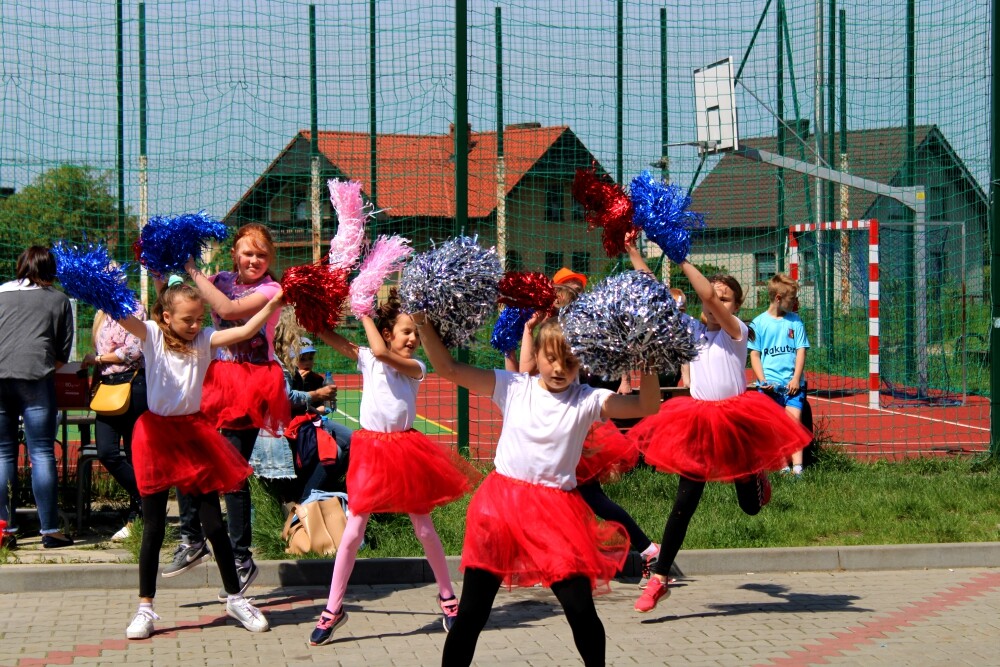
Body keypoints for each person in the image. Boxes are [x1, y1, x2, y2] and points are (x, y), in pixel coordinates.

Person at [419, 311, 660, 667]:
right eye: (551, 358)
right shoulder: (514, 387)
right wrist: (424, 322)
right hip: (500, 508)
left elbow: (646, 405)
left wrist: (649, 356)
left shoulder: (588, 400)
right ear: (538, 355)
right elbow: (450, 369)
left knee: (580, 609)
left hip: (556, 514)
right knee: (472, 614)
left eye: (570, 360)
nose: (560, 368)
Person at [630, 260, 813, 613]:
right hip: (698, 421)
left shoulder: (738, 331)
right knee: (684, 502)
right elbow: (655, 291)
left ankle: (756, 479)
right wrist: (632, 249)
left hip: (735, 420)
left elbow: (708, 297)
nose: (716, 302)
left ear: (737, 308)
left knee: (749, 507)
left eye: (726, 299)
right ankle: (661, 578)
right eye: (715, 298)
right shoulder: (690, 330)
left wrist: (681, 257)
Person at [113, 277, 283, 639]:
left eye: (198, 318)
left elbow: (244, 331)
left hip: (193, 435)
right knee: (155, 526)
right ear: (165, 316)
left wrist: (274, 303)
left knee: (213, 523)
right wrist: (96, 286)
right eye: (187, 319)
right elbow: (120, 315)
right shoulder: (151, 335)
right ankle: (145, 608)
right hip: (156, 436)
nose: (195, 326)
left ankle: (236, 598)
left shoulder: (205, 338)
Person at [308, 290, 479, 646]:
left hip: (404, 450)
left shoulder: (417, 367)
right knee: (353, 531)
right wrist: (311, 311)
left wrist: (364, 311)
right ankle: (333, 608)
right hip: (371, 451)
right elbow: (332, 338)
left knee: (425, 529)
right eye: (406, 331)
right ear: (389, 333)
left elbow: (381, 353)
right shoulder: (367, 357)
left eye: (415, 332)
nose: (414, 338)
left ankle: (448, 600)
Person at [165, 224, 290, 602]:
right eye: (247, 253)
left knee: (231, 469)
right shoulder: (217, 277)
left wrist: (189, 268)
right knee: (191, 456)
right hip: (215, 380)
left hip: (252, 384)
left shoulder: (271, 290)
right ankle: (191, 538)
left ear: (270, 259)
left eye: (262, 255)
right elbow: (182, 302)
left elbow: (227, 309)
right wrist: (163, 268)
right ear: (234, 253)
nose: (254, 260)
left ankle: (240, 557)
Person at [514, 269, 662, 589]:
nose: (549, 297)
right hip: (560, 422)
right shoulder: (556, 324)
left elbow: (531, 369)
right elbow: (528, 371)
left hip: (573, 423)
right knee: (567, 498)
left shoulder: (572, 326)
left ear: (564, 294)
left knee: (587, 496)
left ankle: (649, 551)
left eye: (554, 292)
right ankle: (558, 560)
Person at [0, 246, 75, 550]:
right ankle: (50, 530)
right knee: (41, 452)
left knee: (3, 454)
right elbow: (62, 352)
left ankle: (4, 530)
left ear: (21, 266)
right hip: (35, 377)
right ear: (50, 269)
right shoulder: (58, 299)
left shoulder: (1, 292)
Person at [81, 303, 148, 541]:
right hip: (108, 387)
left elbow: (134, 351)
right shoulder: (101, 313)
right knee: (107, 452)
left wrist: (97, 358)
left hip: (133, 383)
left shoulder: (136, 309)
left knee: (134, 454)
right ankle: (147, 498)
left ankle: (137, 516)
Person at [749, 274, 810, 477]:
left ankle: (798, 470)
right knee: (775, 428)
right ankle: (783, 467)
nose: (795, 303)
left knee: (794, 425)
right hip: (770, 387)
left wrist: (795, 378)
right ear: (777, 298)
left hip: (793, 385)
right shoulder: (759, 324)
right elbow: (755, 354)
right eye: (791, 299)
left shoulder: (795, 322)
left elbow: (801, 350)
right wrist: (762, 380)